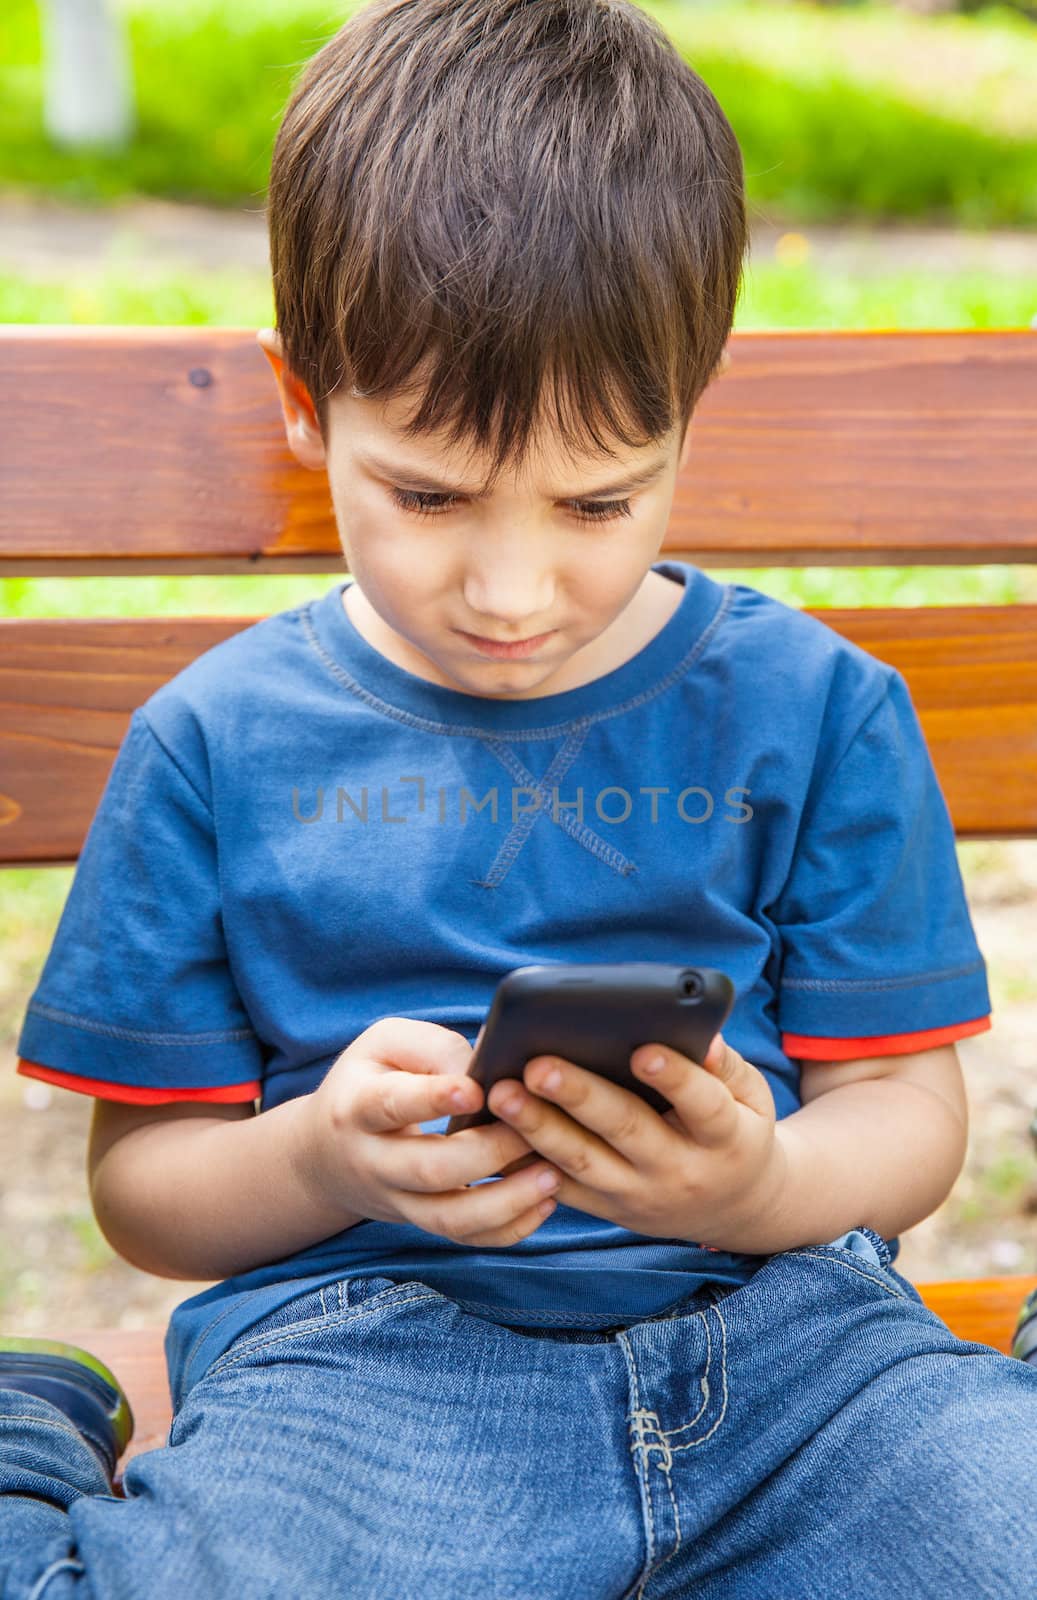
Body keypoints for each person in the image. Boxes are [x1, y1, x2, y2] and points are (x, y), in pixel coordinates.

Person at [3, 1, 1036, 1595]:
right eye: (424, 494)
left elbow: (903, 1118)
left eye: (596, 501)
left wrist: (760, 1185)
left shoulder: (814, 709)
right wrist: (327, 1162)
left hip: (789, 1344)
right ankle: (31, 1436)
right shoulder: (213, 742)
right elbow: (146, 1192)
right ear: (304, 406)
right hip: (368, 1366)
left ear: (688, 416)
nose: (506, 589)